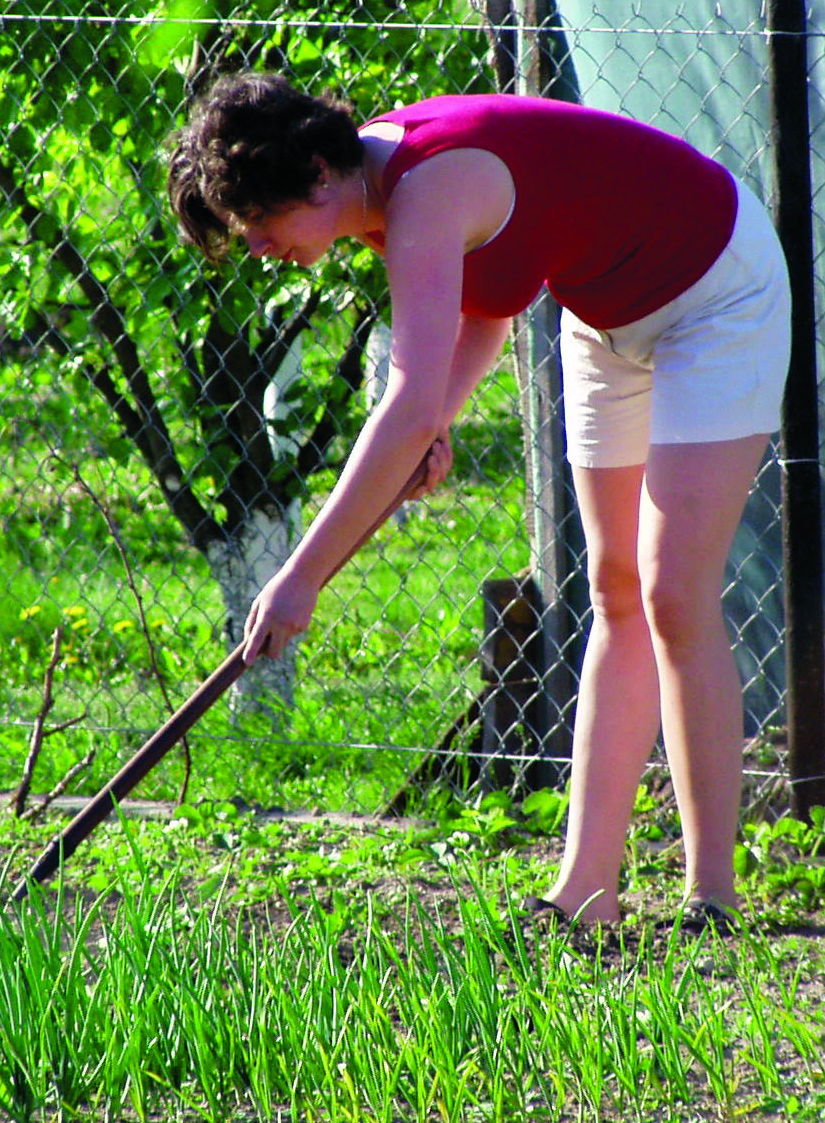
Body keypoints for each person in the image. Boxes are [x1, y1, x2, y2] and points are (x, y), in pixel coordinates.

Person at [167, 73, 790, 934]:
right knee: (613, 592)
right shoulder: (379, 191)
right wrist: (437, 422)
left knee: (671, 592)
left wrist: (300, 576)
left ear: (315, 173)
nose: (263, 248)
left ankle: (711, 896)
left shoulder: (422, 187)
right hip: (604, 313)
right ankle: (586, 893)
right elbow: (489, 309)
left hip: (715, 292)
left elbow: (407, 399)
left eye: (263, 227)